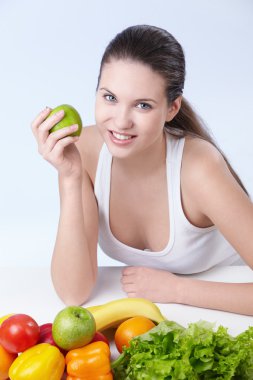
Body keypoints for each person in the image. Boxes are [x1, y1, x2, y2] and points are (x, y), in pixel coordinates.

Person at [31, 25, 253, 315]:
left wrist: (177, 290)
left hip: (227, 307)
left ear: (172, 108)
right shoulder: (83, 150)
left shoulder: (199, 167)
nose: (121, 122)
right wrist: (69, 176)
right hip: (166, 315)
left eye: (143, 105)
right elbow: (73, 292)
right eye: (110, 97)